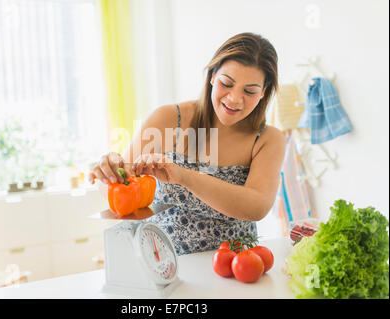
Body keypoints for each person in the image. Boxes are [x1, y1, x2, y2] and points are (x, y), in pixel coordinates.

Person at [89, 32, 286, 255]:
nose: (234, 98)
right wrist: (108, 171)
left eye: (249, 91)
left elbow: (256, 206)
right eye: (226, 83)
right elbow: (115, 189)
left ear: (264, 92)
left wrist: (183, 176)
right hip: (161, 264)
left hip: (236, 267)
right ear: (212, 76)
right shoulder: (169, 119)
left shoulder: (269, 139)